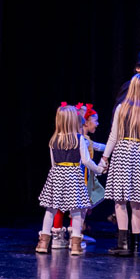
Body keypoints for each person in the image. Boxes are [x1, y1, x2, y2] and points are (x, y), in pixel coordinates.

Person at [102, 74, 140, 257]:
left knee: (120, 202)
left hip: (122, 153)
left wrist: (105, 157)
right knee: (137, 204)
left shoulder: (121, 109)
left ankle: (123, 244)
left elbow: (114, 136)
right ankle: (135, 245)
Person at [36, 104, 103, 256]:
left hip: (57, 175)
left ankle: (43, 243)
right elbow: (86, 161)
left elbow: (53, 163)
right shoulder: (79, 139)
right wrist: (98, 169)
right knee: (76, 210)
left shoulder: (53, 140)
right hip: (73, 175)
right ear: (74, 121)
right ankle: (75, 245)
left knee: (50, 209)